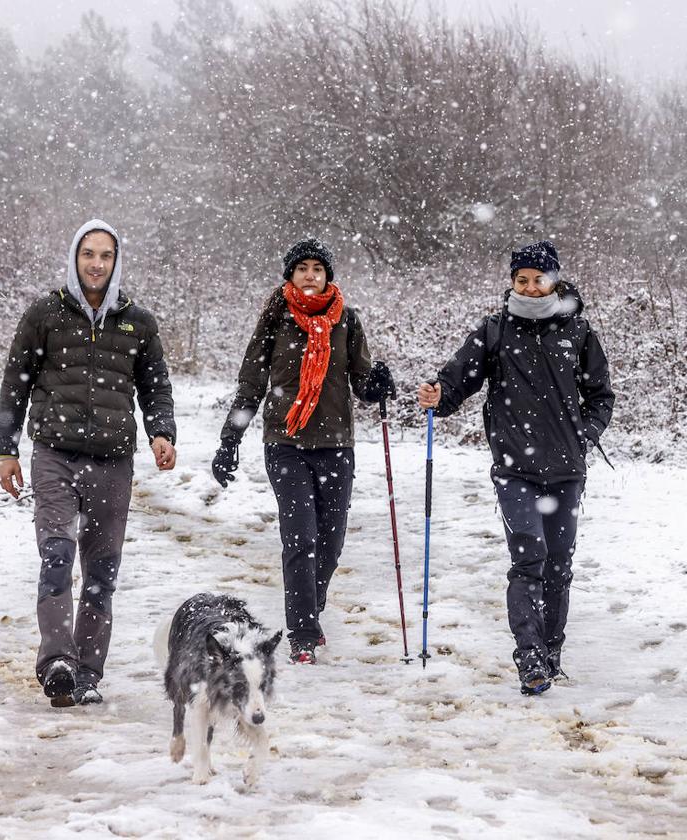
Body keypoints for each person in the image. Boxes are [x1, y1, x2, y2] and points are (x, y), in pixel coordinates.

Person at [417, 240, 614, 695]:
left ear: (554, 280)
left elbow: (601, 396)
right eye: (521, 279)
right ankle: (530, 660)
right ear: (512, 282)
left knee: (559, 566)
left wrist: (583, 436)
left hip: (566, 470)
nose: (530, 286)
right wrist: (437, 396)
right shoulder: (496, 330)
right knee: (529, 558)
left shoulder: (578, 333)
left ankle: (551, 652)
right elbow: (456, 381)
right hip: (515, 469)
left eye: (538, 278)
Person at [0, 219, 177, 707]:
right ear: (74, 258)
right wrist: (5, 449)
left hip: (113, 461)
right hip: (54, 453)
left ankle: (88, 673)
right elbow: (16, 382)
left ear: (116, 262)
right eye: (88, 254)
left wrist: (162, 432)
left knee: (102, 571)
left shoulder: (138, 321)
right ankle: (57, 660)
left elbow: (156, 386)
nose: (96, 264)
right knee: (57, 556)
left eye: (106, 256)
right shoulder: (45, 314)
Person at [212, 238, 395, 665]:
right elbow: (251, 385)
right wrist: (229, 441)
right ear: (289, 276)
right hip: (286, 444)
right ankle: (302, 634)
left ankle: (310, 609)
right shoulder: (276, 321)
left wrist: (378, 384)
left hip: (335, 446)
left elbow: (363, 382)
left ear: (328, 275)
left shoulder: (345, 321)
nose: (310, 275)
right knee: (301, 539)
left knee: (330, 545)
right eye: (302, 268)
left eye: (318, 268)